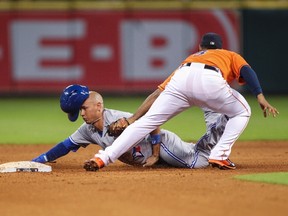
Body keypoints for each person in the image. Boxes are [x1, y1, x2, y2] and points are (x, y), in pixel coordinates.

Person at [84, 32, 279, 171]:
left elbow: (157, 93)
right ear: (220, 47)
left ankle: (103, 157)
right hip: (210, 80)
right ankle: (219, 155)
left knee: (146, 123)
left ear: (200, 48)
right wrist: (259, 95)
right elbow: (247, 71)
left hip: (183, 76)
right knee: (242, 110)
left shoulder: (192, 57)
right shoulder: (228, 54)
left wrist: (134, 118)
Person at [32, 84, 228, 169]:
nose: (82, 114)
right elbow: (65, 145)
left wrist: (156, 154)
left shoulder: (119, 118)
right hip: (152, 155)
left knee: (198, 161)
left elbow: (153, 123)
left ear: (98, 106)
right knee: (192, 154)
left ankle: (221, 118)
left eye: (83, 109)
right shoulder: (87, 130)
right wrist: (40, 159)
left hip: (163, 146)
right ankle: (214, 120)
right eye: (79, 112)